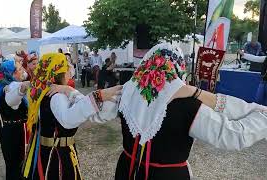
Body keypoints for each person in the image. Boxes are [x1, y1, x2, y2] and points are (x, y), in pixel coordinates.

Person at [57, 44, 267, 180]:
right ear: (178, 69)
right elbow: (233, 135)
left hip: (127, 171)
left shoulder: (127, 94)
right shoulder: (188, 104)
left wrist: (72, 93)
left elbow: (94, 113)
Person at [22, 53, 121, 180]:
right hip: (57, 155)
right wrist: (97, 97)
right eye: (67, 66)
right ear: (60, 72)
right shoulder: (57, 96)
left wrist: (68, 90)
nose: (70, 69)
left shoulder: (43, 92)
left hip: (48, 150)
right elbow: (68, 120)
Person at [0, 59, 29, 180]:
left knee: (14, 164)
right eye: (18, 69)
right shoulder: (9, 88)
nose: (22, 70)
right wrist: (26, 86)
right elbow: (15, 94)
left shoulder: (4, 85)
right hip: (14, 132)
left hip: (10, 129)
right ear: (11, 73)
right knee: (15, 164)